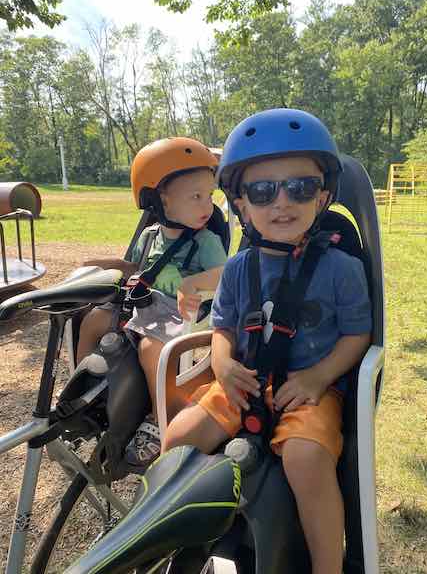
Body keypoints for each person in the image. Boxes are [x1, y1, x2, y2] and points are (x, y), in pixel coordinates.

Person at [162, 109, 372, 574]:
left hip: (309, 390)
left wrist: (319, 376)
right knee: (177, 435)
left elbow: (359, 334)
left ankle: (326, 566)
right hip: (245, 383)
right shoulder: (239, 269)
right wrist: (221, 363)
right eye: (262, 190)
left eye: (300, 187)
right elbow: (223, 328)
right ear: (241, 204)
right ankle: (173, 538)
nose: (282, 202)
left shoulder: (342, 268)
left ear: (323, 195)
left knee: (304, 457)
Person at [77, 137, 228, 467]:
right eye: (196, 197)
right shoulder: (149, 237)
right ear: (162, 201)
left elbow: (225, 273)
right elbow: (136, 268)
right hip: (145, 303)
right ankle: (85, 388)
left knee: (150, 350)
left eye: (210, 196)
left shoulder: (205, 240)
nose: (208, 207)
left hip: (181, 312)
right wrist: (109, 265)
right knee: (93, 320)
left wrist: (194, 282)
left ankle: (161, 417)